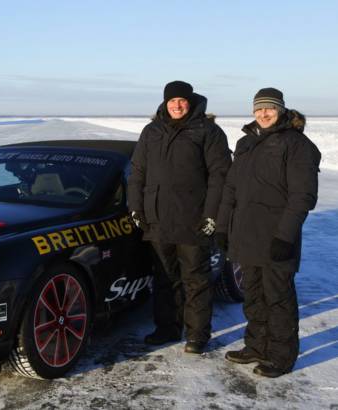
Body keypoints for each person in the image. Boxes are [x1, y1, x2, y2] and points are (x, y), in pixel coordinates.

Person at [216, 88, 321, 377]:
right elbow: (231, 189)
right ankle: (256, 346)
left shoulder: (296, 144)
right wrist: (223, 227)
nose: (263, 114)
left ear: (281, 110)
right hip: (245, 234)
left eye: (269, 109)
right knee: (253, 295)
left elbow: (303, 195)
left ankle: (281, 357)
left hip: (276, 236)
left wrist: (285, 236)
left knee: (278, 298)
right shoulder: (246, 142)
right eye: (259, 109)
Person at [127, 81, 231, 354]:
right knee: (164, 278)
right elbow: (137, 172)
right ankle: (166, 328)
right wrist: (136, 207)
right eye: (172, 101)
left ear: (191, 101)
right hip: (157, 218)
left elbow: (220, 176)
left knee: (195, 279)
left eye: (181, 101)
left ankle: (197, 335)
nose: (177, 105)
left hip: (193, 219)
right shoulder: (152, 131)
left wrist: (212, 216)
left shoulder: (207, 131)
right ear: (165, 103)